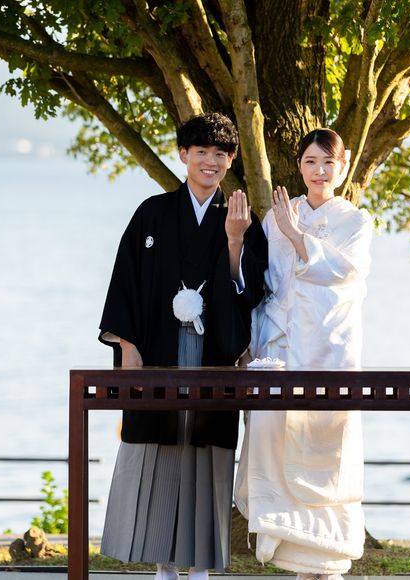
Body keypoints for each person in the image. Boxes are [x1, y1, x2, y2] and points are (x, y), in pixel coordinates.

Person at [98, 113, 268, 580]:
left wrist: (235, 241)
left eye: (220, 154)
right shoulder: (152, 213)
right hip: (157, 349)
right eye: (201, 152)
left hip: (213, 351)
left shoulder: (239, 217)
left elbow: (251, 291)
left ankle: (200, 565)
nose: (210, 161)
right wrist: (127, 346)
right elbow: (125, 282)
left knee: (206, 453)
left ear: (231, 160)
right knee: (158, 449)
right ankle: (164, 563)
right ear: (183, 155)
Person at [235, 128, 372, 579]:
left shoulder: (356, 222)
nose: (319, 171)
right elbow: (264, 284)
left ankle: (326, 561)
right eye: (311, 162)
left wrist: (298, 237)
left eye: (328, 163)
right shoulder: (277, 215)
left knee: (325, 448)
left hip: (328, 351)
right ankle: (292, 558)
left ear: (343, 166)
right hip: (277, 349)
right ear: (299, 166)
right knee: (272, 445)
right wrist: (251, 345)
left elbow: (343, 274)